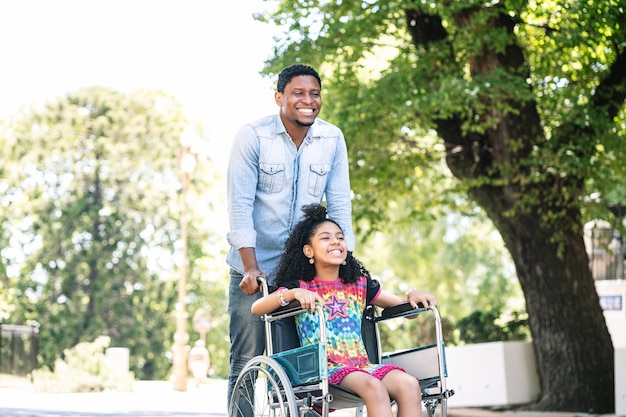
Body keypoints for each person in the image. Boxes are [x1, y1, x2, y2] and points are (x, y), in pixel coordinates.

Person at [226, 64, 355, 407]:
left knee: (309, 366)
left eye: (314, 94)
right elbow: (239, 205)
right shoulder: (253, 136)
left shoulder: (332, 139)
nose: (308, 101)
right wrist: (250, 267)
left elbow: (340, 205)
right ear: (279, 97)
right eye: (298, 93)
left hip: (305, 271)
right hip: (256, 270)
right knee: (246, 359)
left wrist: (348, 266)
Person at [251, 204, 437, 417]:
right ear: (308, 251)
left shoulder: (360, 285)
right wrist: (291, 295)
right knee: (374, 387)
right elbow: (257, 308)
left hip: (362, 365)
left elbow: (408, 310)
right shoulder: (300, 287)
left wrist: (413, 296)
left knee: (409, 384)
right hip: (324, 369)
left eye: (340, 237)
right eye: (325, 238)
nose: (335, 242)